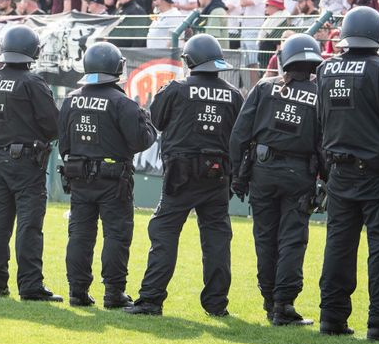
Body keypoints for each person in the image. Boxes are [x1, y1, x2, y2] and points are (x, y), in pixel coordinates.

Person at [126, 35, 242, 316]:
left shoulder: (176, 89)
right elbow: (239, 135)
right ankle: (217, 306)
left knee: (163, 233)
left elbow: (157, 120)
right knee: (216, 239)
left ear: (189, 60)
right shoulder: (234, 94)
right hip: (218, 176)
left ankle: (151, 300)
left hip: (181, 175)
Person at [317, 7, 379, 340]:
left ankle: (331, 317)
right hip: (376, 173)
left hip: (339, 171)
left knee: (339, 245)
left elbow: (321, 119)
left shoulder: (326, 70)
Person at [229, 34, 324, 326]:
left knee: (265, 238)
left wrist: (238, 175)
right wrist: (327, 182)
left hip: (262, 171)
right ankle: (284, 304)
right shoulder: (321, 94)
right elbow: (325, 142)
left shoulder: (264, 86)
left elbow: (239, 135)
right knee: (292, 240)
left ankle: (270, 300)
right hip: (300, 175)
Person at [58, 42, 157, 308]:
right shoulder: (122, 102)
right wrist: (146, 119)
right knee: (116, 235)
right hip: (114, 180)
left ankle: (77, 292)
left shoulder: (71, 99)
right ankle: (114, 294)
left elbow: (63, 144)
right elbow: (141, 141)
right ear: (116, 68)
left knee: (80, 234)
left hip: (79, 177)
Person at [0, 26, 61, 300]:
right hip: (26, 162)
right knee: (28, 225)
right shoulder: (33, 82)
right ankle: (30, 286)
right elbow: (53, 125)